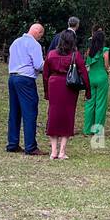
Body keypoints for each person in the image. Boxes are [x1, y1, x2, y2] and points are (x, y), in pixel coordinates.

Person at [42, 29, 91, 160]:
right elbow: (84, 73)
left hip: (54, 85)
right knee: (68, 116)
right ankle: (62, 151)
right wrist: (88, 90)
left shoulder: (51, 54)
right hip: (69, 86)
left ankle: (53, 151)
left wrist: (46, 91)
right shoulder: (75, 55)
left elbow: (45, 75)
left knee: (53, 115)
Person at [6, 23, 45, 156]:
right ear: (37, 32)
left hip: (12, 77)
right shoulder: (34, 44)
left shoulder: (15, 42)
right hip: (26, 79)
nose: (40, 38)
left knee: (14, 112)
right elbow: (39, 65)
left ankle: (12, 143)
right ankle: (30, 146)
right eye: (41, 35)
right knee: (29, 112)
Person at [82, 26, 110, 136]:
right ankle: (97, 130)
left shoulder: (89, 51)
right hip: (102, 77)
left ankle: (87, 129)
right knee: (101, 104)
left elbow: (87, 63)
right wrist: (108, 70)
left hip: (91, 77)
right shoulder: (105, 50)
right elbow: (106, 65)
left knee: (90, 103)